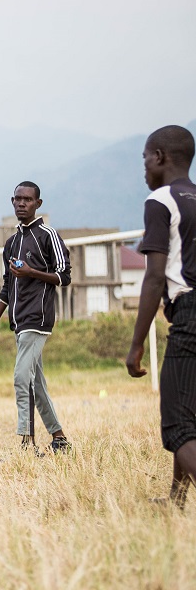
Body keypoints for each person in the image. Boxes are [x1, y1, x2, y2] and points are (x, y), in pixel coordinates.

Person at [126, 125, 196, 507]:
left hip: (189, 314)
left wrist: (136, 344)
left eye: (144, 160)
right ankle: (177, 498)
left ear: (159, 157)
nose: (144, 169)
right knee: (190, 412)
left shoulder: (161, 201)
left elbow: (154, 277)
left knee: (178, 424)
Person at [0, 181, 72, 454]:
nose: (22, 203)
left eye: (27, 199)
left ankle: (27, 443)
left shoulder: (47, 235)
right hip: (18, 322)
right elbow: (7, 287)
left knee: (21, 377)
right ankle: (59, 439)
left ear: (38, 204)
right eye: (17, 199)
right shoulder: (11, 243)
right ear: (12, 201)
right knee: (36, 383)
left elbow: (64, 277)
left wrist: (31, 272)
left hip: (38, 318)